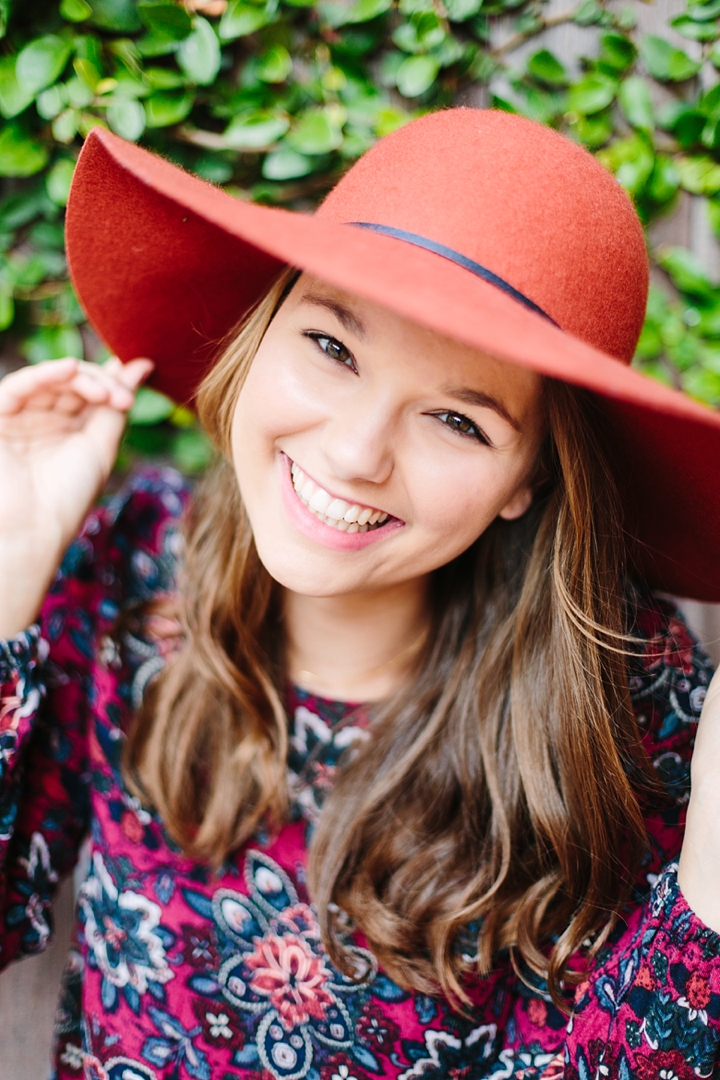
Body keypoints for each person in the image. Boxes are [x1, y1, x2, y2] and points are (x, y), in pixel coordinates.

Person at [0, 108, 719, 1080]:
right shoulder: (132, 568)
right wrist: (10, 561)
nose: (352, 452)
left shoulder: (633, 701)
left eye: (458, 422)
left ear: (530, 481)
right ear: (264, 330)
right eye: (333, 349)